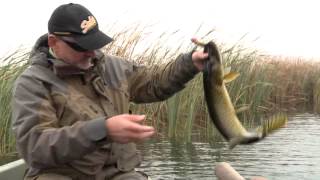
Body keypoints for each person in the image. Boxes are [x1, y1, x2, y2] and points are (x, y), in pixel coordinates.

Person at [11, 3, 208, 180]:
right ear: (54, 42)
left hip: (119, 173)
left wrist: (190, 64)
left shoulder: (114, 67)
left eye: (93, 44)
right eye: (81, 46)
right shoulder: (33, 83)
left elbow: (154, 83)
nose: (91, 52)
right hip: (62, 175)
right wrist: (102, 130)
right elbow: (35, 147)